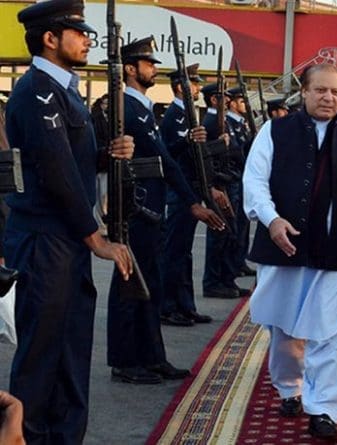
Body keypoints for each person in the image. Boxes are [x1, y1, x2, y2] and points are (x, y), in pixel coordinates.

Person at [6, 0, 135, 441]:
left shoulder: (64, 89)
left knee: (70, 349)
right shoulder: (36, 91)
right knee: (42, 355)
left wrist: (106, 154)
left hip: (65, 240)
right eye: (78, 33)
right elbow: (55, 172)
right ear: (50, 38)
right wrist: (95, 236)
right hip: (46, 240)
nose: (87, 40)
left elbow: (73, 161)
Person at [243, 63, 337, 440]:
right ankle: (290, 388)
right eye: (320, 90)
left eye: (336, 92)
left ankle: (324, 409)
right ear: (303, 92)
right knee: (284, 327)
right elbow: (254, 182)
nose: (328, 98)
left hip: (335, 250)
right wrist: (271, 220)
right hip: (283, 244)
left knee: (330, 332)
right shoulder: (275, 130)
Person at [106, 37, 224, 385]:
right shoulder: (124, 107)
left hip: (151, 206)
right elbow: (166, 160)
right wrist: (191, 202)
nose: (154, 68)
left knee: (150, 284)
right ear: (130, 68)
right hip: (137, 208)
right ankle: (126, 360)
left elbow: (166, 160)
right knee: (131, 284)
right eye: (148, 62)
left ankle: (152, 356)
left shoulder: (141, 107)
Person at [160, 63, 225, 326]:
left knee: (184, 253)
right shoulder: (174, 116)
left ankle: (185, 304)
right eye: (194, 83)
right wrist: (187, 139)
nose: (197, 88)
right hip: (179, 192)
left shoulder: (188, 114)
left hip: (191, 187)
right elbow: (168, 154)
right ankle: (168, 306)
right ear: (180, 87)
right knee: (174, 251)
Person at [200, 83, 246, 299]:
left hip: (231, 180)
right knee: (219, 234)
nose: (227, 101)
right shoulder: (210, 122)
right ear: (213, 100)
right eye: (223, 97)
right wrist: (216, 187)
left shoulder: (222, 120)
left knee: (230, 234)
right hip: (220, 185)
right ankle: (213, 282)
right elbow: (206, 157)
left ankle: (226, 280)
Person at [225, 86, 256, 278]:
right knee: (232, 229)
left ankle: (239, 261)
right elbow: (237, 152)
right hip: (234, 179)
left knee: (242, 227)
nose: (245, 104)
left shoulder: (240, 124)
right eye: (242, 101)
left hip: (241, 179)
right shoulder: (227, 122)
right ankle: (230, 268)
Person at [90, 94, 109, 235]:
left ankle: (102, 222)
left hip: (103, 162)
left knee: (103, 194)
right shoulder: (97, 119)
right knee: (101, 194)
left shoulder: (105, 118)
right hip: (101, 161)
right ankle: (101, 223)